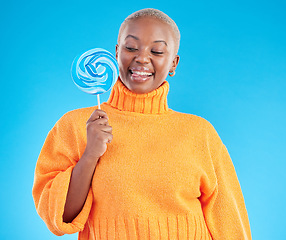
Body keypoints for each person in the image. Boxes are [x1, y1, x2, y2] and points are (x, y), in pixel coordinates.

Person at [32, 8, 252, 240]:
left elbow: (229, 220)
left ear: (173, 63)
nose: (142, 58)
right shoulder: (77, 125)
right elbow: (58, 218)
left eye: (157, 51)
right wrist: (90, 155)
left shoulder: (200, 132)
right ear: (116, 52)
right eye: (131, 48)